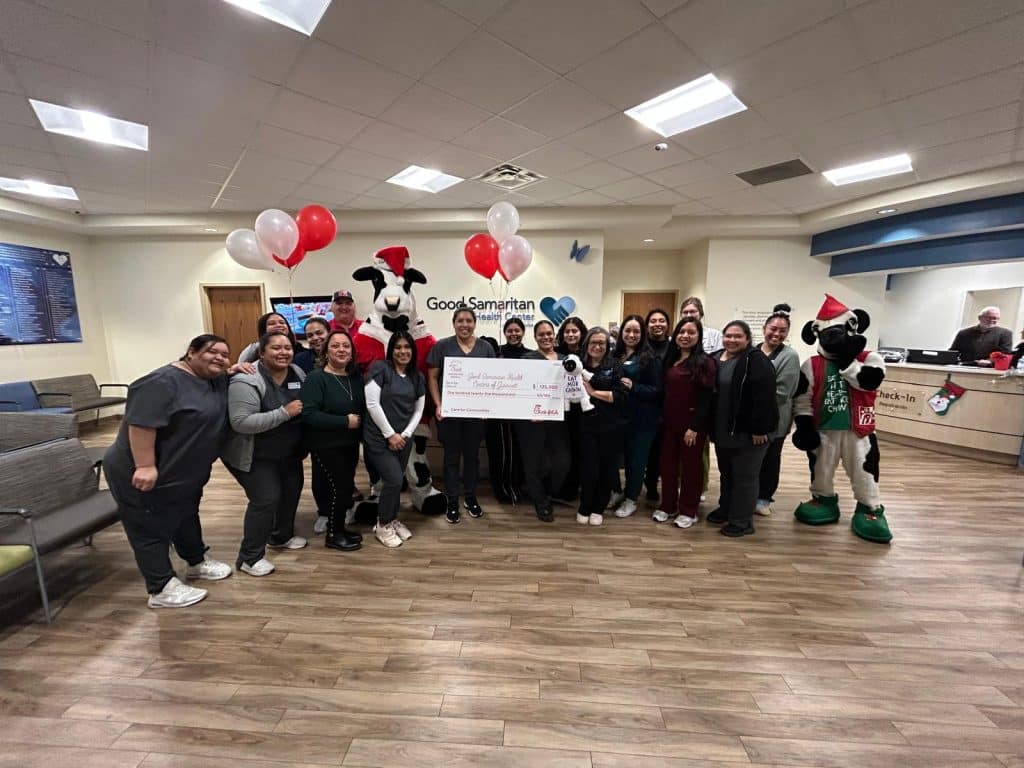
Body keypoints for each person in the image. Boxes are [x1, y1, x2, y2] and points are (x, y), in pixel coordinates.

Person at [103, 334, 240, 608]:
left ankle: (195, 561)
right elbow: (141, 424)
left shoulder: (213, 380)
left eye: (226, 355)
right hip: (143, 471)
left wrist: (237, 368)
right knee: (149, 526)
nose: (220, 359)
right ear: (191, 352)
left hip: (184, 473)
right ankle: (161, 587)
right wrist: (145, 465)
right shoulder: (160, 382)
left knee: (186, 516)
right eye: (213, 352)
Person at [222, 332, 307, 577]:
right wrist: (284, 413)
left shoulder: (297, 374)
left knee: (292, 490)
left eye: (287, 348)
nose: (283, 353)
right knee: (266, 498)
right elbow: (241, 422)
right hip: (254, 455)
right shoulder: (246, 379)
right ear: (261, 352)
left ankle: (280, 537)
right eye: (276, 348)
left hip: (287, 452)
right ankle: (249, 558)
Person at [708, 320, 779, 537]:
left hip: (750, 433)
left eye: (737, 336)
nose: (732, 340)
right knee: (727, 473)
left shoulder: (756, 361)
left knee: (745, 477)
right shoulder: (716, 358)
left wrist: (760, 429)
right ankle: (727, 508)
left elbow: (765, 398)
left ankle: (742, 521)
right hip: (724, 430)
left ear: (748, 339)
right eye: (728, 335)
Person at [427, 306, 496, 524]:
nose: (464, 324)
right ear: (454, 323)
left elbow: (493, 381)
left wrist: (488, 407)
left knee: (473, 458)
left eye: (468, 320)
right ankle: (452, 500)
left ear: (475, 323)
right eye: (460, 321)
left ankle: (470, 497)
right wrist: (438, 404)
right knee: (451, 459)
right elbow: (432, 377)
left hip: (476, 416)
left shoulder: (485, 348)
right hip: (449, 415)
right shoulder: (442, 346)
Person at [300, 330, 365, 552]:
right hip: (325, 444)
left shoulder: (354, 377)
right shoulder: (316, 378)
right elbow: (308, 414)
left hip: (350, 444)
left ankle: (340, 529)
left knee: (345, 488)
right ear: (326, 350)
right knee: (341, 488)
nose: (341, 350)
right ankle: (333, 534)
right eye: (336, 346)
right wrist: (344, 422)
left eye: (346, 346)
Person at [363, 331, 425, 547]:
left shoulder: (417, 376)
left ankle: (391, 518)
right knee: (394, 480)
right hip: (379, 438)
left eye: (407, 347)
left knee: (396, 483)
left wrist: (405, 435)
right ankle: (382, 525)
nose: (403, 351)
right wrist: (390, 434)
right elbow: (372, 404)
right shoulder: (381, 368)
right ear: (391, 350)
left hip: (403, 439)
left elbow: (418, 411)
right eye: (398, 347)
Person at [657, 317, 716, 527]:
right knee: (668, 467)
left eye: (691, 332)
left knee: (691, 468)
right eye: (682, 332)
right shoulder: (670, 358)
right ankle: (668, 506)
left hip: (691, 426)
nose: (685, 336)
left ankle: (688, 510)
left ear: (699, 336)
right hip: (669, 423)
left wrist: (695, 427)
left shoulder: (704, 362)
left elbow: (706, 398)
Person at [514, 320, 571, 522]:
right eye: (541, 334)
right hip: (532, 422)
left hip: (557, 422)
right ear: (535, 337)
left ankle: (546, 492)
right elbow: (521, 390)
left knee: (562, 462)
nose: (546, 337)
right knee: (532, 464)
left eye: (549, 333)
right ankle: (541, 503)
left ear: (554, 335)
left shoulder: (566, 360)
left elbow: (572, 391)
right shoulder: (527, 359)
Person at [609, 315, 663, 518]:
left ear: (643, 334)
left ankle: (631, 499)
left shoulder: (650, 358)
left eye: (636, 331)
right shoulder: (615, 355)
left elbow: (657, 390)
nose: (631, 335)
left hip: (642, 419)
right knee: (612, 458)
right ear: (621, 333)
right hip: (617, 417)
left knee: (636, 461)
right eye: (627, 331)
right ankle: (616, 491)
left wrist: (635, 387)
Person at [577, 326, 628, 526]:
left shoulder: (615, 366)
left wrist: (593, 392)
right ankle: (585, 506)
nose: (597, 346)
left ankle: (598, 508)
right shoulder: (577, 364)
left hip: (611, 427)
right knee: (589, 470)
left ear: (607, 346)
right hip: (585, 426)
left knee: (607, 470)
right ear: (587, 344)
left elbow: (621, 397)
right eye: (593, 342)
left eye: (601, 343)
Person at [756, 304, 801, 516]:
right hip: (752, 418)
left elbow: (782, 392)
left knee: (770, 459)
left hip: (776, 419)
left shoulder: (789, 356)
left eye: (782, 331)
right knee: (752, 459)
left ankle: (764, 498)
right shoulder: (754, 351)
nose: (776, 334)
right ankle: (750, 493)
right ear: (764, 328)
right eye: (773, 329)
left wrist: (747, 397)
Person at [302, 316, 332, 534]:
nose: (315, 338)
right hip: (315, 426)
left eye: (319, 333)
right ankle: (324, 512)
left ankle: (344, 507)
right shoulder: (300, 360)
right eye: (310, 335)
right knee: (320, 469)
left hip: (343, 425)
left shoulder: (342, 356)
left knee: (343, 470)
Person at [554, 316, 588, 502]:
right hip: (564, 409)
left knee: (581, 450)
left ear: (581, 332)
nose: (571, 334)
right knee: (567, 451)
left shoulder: (588, 354)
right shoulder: (557, 354)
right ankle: (569, 487)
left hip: (584, 409)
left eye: (574, 331)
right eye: (567, 331)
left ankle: (581, 486)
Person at [641, 307, 672, 504]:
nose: (657, 324)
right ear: (647, 325)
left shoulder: (674, 347)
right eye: (653, 321)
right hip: (643, 403)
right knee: (645, 449)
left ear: (668, 325)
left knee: (660, 451)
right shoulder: (641, 346)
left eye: (661, 320)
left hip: (667, 405)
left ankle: (652, 484)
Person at [238, 312, 314, 371]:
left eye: (282, 322)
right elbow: (240, 367)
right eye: (271, 323)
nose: (278, 325)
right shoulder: (254, 349)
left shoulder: (299, 348)